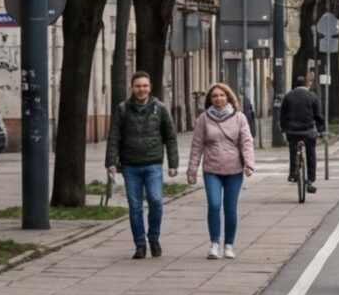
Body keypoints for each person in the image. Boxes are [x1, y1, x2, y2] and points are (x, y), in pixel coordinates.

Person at [107, 71, 178, 259]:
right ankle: (140, 244)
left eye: (145, 86)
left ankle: (153, 238)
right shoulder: (123, 109)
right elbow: (114, 136)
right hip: (130, 166)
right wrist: (110, 162)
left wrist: (173, 163)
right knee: (135, 206)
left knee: (156, 201)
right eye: (138, 86)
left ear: (150, 87)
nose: (141, 89)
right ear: (132, 87)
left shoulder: (160, 108)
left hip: (153, 164)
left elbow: (170, 137)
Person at [189, 82, 257, 259]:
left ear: (228, 97)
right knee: (213, 205)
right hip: (211, 168)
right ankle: (214, 244)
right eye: (214, 96)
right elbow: (197, 145)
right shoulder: (203, 119)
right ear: (210, 100)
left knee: (230, 208)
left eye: (221, 95)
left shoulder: (239, 117)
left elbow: (247, 142)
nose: (218, 99)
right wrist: (192, 170)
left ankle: (228, 245)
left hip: (234, 169)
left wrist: (249, 164)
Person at [277, 71, 324, 194]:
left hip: (292, 131)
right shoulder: (312, 96)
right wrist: (321, 129)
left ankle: (293, 173)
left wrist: (283, 128)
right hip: (309, 131)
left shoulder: (288, 96)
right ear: (306, 84)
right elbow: (318, 115)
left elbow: (282, 115)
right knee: (311, 153)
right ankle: (310, 180)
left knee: (293, 150)